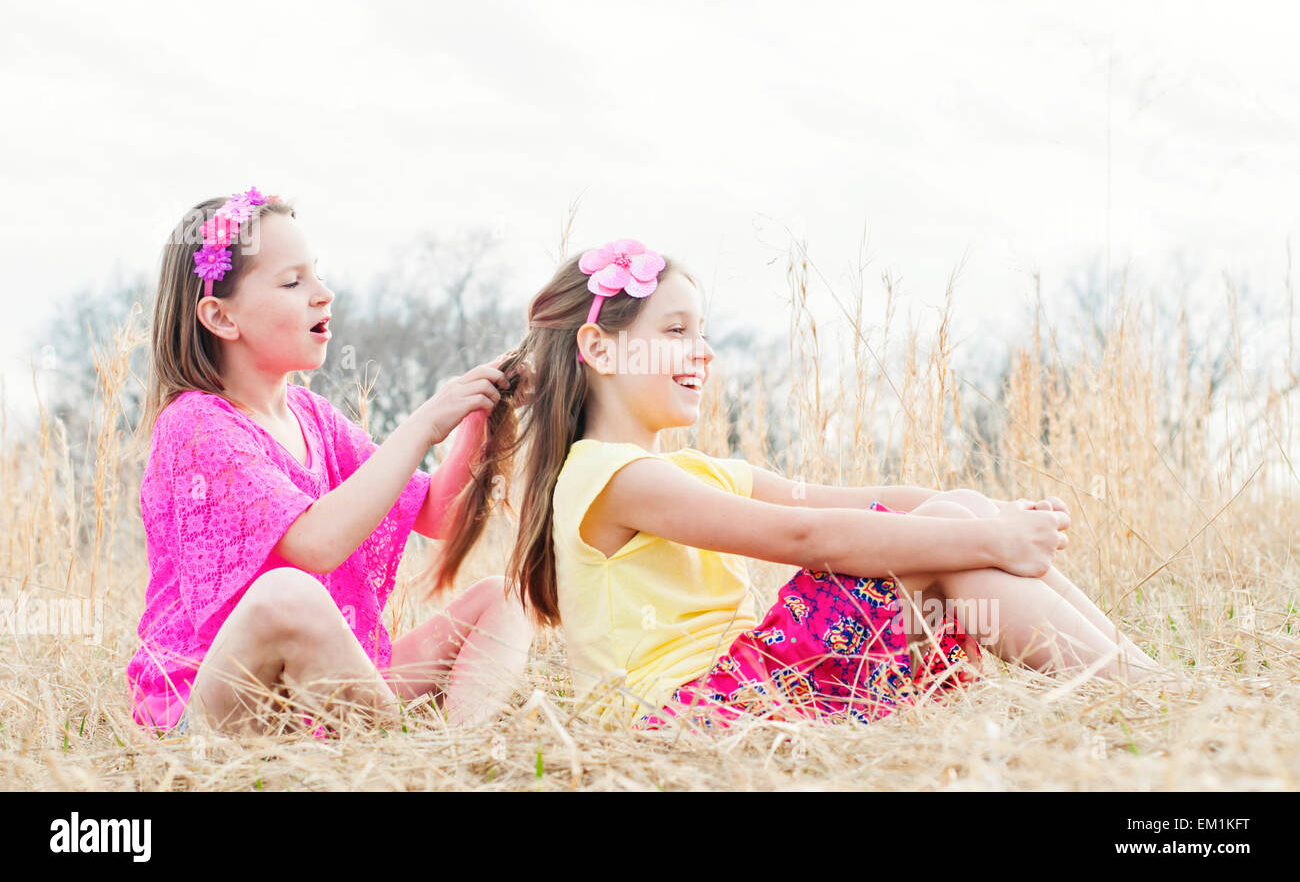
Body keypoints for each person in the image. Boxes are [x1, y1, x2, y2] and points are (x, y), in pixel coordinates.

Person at [435, 238, 1174, 730]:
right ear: (598, 347)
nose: (704, 351)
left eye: (702, 331)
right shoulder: (607, 475)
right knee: (959, 528)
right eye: (675, 332)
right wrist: (988, 536)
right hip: (691, 721)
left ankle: (1146, 682)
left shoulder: (691, 470)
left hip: (751, 690)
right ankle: (1148, 697)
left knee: (955, 512)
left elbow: (833, 501)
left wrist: (990, 515)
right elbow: (802, 537)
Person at [126, 187, 533, 737]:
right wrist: (421, 425)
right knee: (285, 596)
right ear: (220, 317)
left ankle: (465, 746)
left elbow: (437, 515)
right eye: (293, 282)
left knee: (502, 597)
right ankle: (403, 756)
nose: (324, 294)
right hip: (216, 700)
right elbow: (315, 545)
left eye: (316, 274)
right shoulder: (197, 425)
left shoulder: (312, 416)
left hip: (318, 696)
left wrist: (474, 422)